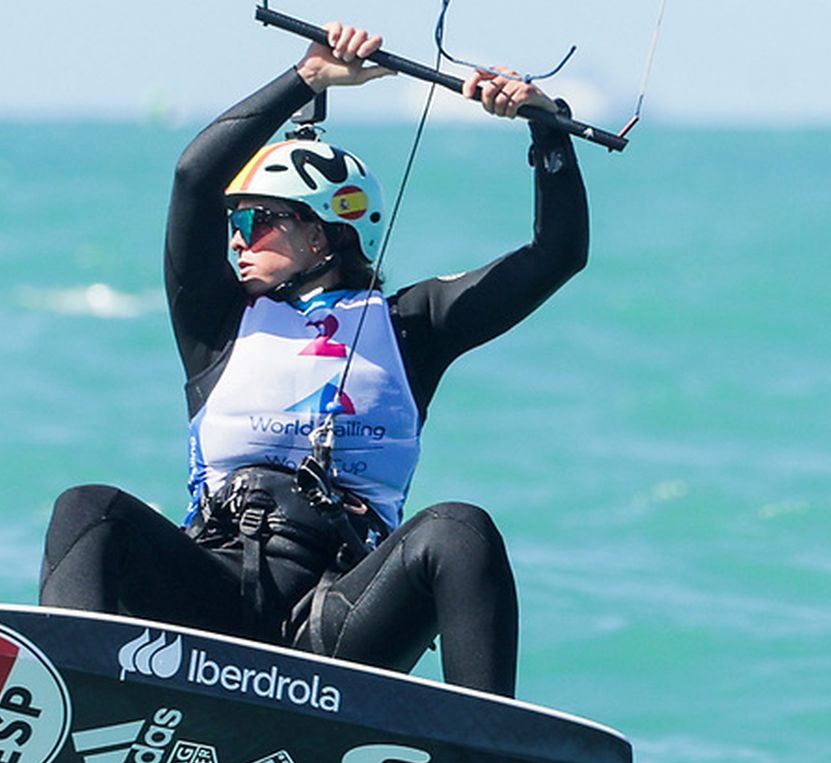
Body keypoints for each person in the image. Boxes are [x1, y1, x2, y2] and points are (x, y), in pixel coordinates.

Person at [39, 22, 589, 699]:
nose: (237, 240)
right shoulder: (216, 322)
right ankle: (74, 698)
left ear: (325, 231)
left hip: (337, 621)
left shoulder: (412, 326)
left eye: (258, 222)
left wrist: (546, 130)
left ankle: (488, 748)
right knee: (88, 510)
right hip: (210, 603)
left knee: (459, 528)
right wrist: (306, 78)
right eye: (234, 224)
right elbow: (193, 178)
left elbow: (556, 255)